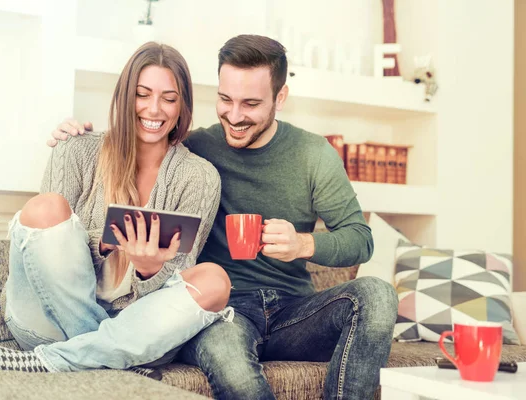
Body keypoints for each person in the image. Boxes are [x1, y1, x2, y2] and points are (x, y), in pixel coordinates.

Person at [48, 35, 399, 399]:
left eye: (250, 103)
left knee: (377, 294)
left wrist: (302, 244)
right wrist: (75, 137)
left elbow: (361, 239)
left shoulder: (313, 155)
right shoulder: (195, 151)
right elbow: (139, 141)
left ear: (280, 98)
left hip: (295, 313)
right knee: (234, 369)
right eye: (225, 99)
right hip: (222, 312)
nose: (234, 115)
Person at [0, 42, 233, 376]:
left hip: (133, 325)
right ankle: (106, 355)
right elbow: (46, 263)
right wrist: (104, 244)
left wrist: (148, 271)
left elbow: (172, 286)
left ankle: (60, 360)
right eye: (142, 94)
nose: (154, 109)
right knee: (45, 208)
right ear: (124, 96)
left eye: (169, 98)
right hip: (47, 320)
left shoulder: (200, 177)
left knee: (215, 280)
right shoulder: (75, 150)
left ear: (182, 106)